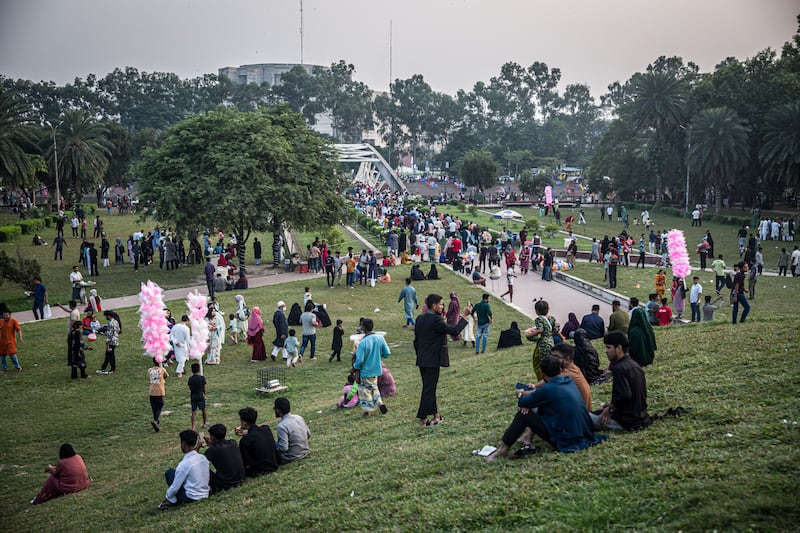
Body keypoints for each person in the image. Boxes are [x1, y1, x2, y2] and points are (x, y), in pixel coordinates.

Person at [485, 356, 606, 462]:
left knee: (523, 414)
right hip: (583, 432)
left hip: (566, 439)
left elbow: (523, 402)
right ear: (560, 369)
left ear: (543, 374)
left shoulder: (547, 390)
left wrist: (520, 394)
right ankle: (527, 437)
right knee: (534, 406)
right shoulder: (568, 381)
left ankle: (503, 449)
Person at [414, 293, 471, 428]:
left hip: (422, 359)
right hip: (432, 360)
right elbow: (455, 331)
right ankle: (422, 420)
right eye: (440, 304)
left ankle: (436, 415)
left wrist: (420, 354)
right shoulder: (436, 321)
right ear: (433, 306)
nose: (442, 306)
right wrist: (465, 315)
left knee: (429, 387)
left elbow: (416, 341)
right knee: (429, 389)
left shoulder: (420, 319)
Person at [590, 332, 651, 430]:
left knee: (584, 417)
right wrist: (610, 406)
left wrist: (610, 410)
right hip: (641, 417)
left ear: (619, 348)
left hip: (626, 422)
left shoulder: (619, 368)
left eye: (608, 347)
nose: (606, 351)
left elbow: (625, 395)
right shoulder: (635, 365)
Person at [158, 430, 210, 509]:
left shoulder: (184, 464)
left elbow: (175, 487)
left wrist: (168, 497)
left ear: (183, 444)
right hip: (205, 493)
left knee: (170, 473)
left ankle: (172, 501)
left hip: (190, 497)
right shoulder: (203, 458)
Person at [353, 318, 391, 417]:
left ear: (364, 328)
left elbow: (360, 360)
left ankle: (367, 411)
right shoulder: (380, 338)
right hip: (376, 369)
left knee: (365, 391)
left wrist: (355, 367)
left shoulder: (363, 343)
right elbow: (387, 353)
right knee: (374, 387)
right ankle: (380, 403)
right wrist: (377, 355)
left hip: (365, 371)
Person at [235, 406, 278, 476]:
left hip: (258, 470)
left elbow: (247, 464)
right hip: (273, 464)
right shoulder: (266, 429)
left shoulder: (244, 441)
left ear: (244, 423)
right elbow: (256, 431)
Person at [203, 424, 245, 492]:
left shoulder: (213, 450)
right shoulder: (233, 442)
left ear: (213, 437)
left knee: (202, 470)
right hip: (241, 479)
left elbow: (198, 463)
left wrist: (198, 447)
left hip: (225, 484)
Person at [524, 299, 555, 380]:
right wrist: (562, 338)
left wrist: (529, 335)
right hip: (551, 342)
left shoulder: (539, 319)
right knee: (550, 364)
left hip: (543, 345)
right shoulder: (551, 318)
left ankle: (543, 381)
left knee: (541, 365)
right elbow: (555, 330)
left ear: (537, 311)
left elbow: (540, 330)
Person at [274, 397, 311, 464]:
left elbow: (284, 448)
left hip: (291, 457)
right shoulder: (299, 418)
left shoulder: (281, 426)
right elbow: (308, 434)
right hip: (304, 452)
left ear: (278, 411)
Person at [0, 307, 23, 373]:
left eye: (6, 315)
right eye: (4, 315)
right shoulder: (1, 321)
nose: (5, 317)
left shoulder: (13, 321)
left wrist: (20, 337)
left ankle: (18, 367)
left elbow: (18, 330)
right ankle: (4, 368)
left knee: (12, 355)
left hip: (11, 341)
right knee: (2, 356)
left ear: (10, 315)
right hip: (2, 342)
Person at [148, 358, 168, 432]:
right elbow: (166, 376)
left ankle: (156, 423)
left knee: (154, 408)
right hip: (159, 391)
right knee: (160, 406)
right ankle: (156, 421)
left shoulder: (149, 370)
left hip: (151, 392)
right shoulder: (162, 369)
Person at [97, 310, 120, 374]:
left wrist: (107, 345)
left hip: (111, 343)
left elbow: (109, 336)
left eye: (106, 316)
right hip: (115, 340)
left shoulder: (110, 323)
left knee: (110, 356)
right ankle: (103, 368)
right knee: (108, 355)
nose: (105, 317)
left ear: (109, 316)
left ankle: (112, 369)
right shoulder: (115, 321)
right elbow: (118, 330)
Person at [187, 363, 208, 432]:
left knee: (193, 412)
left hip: (193, 396)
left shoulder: (190, 379)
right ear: (199, 369)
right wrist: (205, 394)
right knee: (203, 410)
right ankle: (204, 423)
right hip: (200, 395)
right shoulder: (202, 378)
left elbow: (190, 388)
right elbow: (204, 388)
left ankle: (193, 427)